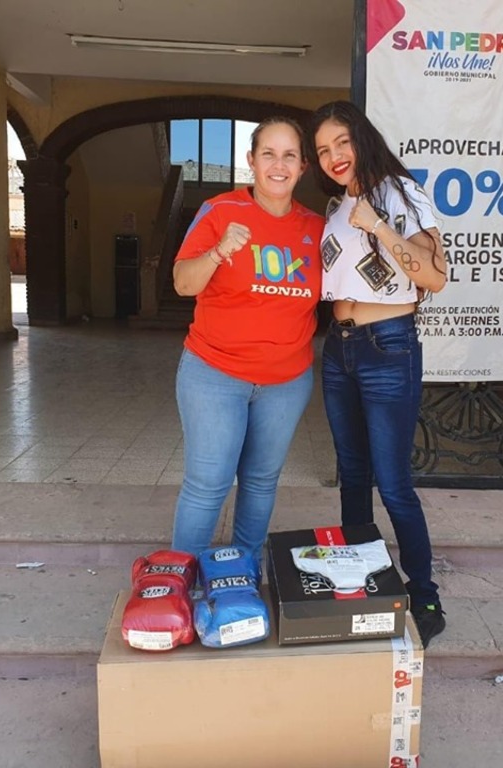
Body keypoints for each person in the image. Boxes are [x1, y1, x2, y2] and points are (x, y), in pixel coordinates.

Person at [306, 100, 449, 647]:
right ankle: (359, 578)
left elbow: (434, 277)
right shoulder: (334, 207)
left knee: (392, 482)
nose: (334, 156)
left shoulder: (401, 192)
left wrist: (378, 225)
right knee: (352, 473)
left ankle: (424, 592)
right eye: (323, 150)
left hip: (388, 344)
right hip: (339, 348)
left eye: (341, 142)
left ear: (362, 138)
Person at [170, 117, 324, 560]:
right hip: (215, 374)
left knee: (260, 481)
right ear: (251, 161)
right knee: (208, 483)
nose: (279, 165)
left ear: (303, 167)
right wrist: (219, 252)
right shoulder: (219, 212)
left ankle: (245, 571)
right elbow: (183, 283)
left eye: (290, 155)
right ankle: (183, 578)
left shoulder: (317, 228)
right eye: (268, 154)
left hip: (286, 382)